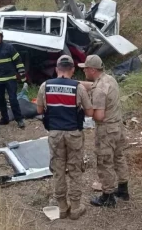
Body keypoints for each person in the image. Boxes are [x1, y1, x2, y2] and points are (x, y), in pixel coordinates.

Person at [36, 55, 93, 220]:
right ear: (73, 70)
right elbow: (89, 112)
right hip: (74, 134)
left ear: (57, 69)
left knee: (58, 170)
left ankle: (62, 207)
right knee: (75, 170)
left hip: (54, 134)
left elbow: (40, 111)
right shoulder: (78, 88)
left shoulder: (45, 86)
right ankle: (75, 207)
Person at [79, 55, 130, 207]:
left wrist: (85, 109)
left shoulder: (99, 90)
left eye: (85, 69)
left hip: (106, 130)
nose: (84, 71)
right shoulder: (109, 79)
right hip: (118, 127)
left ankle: (107, 196)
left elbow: (99, 116)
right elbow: (93, 85)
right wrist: (77, 84)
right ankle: (123, 189)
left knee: (104, 162)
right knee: (118, 157)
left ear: (92, 70)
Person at [0, 28, 26, 129]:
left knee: (13, 99)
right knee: (0, 100)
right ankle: (5, 119)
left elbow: (18, 60)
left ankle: (19, 119)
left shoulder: (9, 48)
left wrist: (21, 71)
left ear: (1, 37)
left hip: (10, 78)